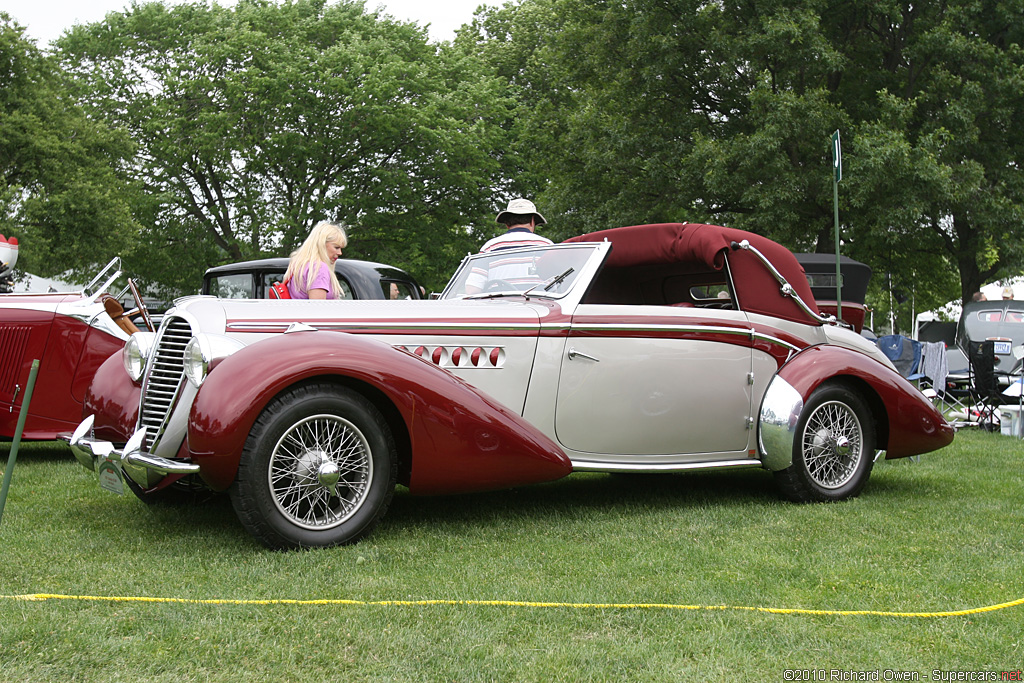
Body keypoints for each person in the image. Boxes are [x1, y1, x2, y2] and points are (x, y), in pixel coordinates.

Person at [465, 198, 553, 293]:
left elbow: (472, 289)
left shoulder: (490, 247)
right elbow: (561, 285)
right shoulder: (547, 246)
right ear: (532, 221)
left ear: (507, 224)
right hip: (540, 306)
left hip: (500, 306)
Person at [284, 221, 347, 299]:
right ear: (322, 244)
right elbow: (318, 309)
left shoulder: (298, 265)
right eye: (336, 247)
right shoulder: (319, 268)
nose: (340, 252)